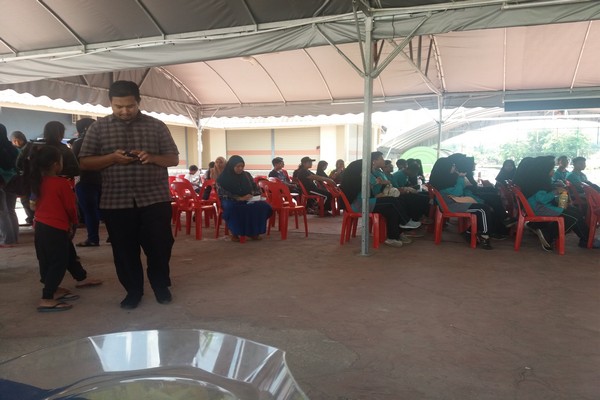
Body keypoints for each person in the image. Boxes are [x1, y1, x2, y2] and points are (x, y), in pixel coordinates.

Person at [78, 80, 179, 309]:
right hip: (116, 201)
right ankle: (133, 291)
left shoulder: (156, 126)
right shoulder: (98, 128)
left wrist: (152, 157)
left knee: (160, 245)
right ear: (110, 103)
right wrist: (112, 158)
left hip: (154, 198)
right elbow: (84, 162)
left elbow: (173, 158)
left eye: (130, 106)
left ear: (138, 102)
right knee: (124, 250)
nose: (125, 111)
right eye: (119, 106)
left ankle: (161, 286)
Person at [29, 146, 101, 312]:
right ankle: (47, 297)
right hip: (56, 228)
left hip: (41, 227)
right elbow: (71, 207)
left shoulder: (37, 182)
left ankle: (80, 278)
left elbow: (33, 205)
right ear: (56, 165)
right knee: (58, 262)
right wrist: (74, 223)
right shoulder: (61, 183)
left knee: (62, 255)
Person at [514, 155, 598, 250]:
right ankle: (549, 234)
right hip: (540, 208)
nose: (553, 171)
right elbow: (542, 199)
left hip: (537, 206)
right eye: (551, 169)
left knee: (575, 211)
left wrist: (554, 188)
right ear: (544, 170)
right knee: (574, 217)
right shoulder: (540, 182)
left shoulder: (537, 180)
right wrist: (555, 192)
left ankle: (586, 239)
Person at [340, 157, 414, 247]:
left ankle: (393, 237)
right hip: (359, 205)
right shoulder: (357, 180)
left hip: (366, 202)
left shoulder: (358, 179)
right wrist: (377, 184)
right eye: (370, 167)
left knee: (392, 210)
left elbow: (372, 191)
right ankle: (405, 222)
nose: (372, 169)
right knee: (392, 201)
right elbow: (367, 192)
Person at [429, 157, 496, 250]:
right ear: (445, 167)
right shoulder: (442, 182)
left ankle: (470, 232)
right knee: (483, 209)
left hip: (455, 202)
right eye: (452, 165)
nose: (454, 167)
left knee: (483, 208)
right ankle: (484, 236)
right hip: (451, 205)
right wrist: (460, 177)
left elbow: (461, 190)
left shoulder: (446, 178)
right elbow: (458, 193)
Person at [217, 155, 272, 241]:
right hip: (231, 200)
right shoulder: (222, 178)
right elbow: (222, 193)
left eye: (242, 166)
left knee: (263, 206)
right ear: (231, 166)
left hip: (247, 199)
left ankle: (254, 232)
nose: (240, 168)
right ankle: (235, 233)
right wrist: (239, 198)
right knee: (233, 208)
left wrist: (251, 194)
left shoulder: (246, 175)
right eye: (237, 166)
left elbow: (256, 188)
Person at [71, 118, 102, 247]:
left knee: (90, 211)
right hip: (104, 179)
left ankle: (93, 238)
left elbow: (74, 163)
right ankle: (113, 236)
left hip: (85, 180)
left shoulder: (79, 143)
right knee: (106, 210)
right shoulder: (103, 141)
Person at [0, 123, 19, 247]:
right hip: (13, 181)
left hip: (1, 181)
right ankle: (14, 237)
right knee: (11, 210)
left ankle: (7, 239)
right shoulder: (13, 148)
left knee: (2, 211)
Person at [10, 130, 35, 225]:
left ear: (22, 139)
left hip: (28, 179)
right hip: (26, 179)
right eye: (14, 141)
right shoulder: (25, 147)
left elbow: (19, 164)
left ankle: (32, 218)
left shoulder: (28, 148)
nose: (16, 143)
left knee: (26, 200)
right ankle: (32, 218)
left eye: (18, 140)